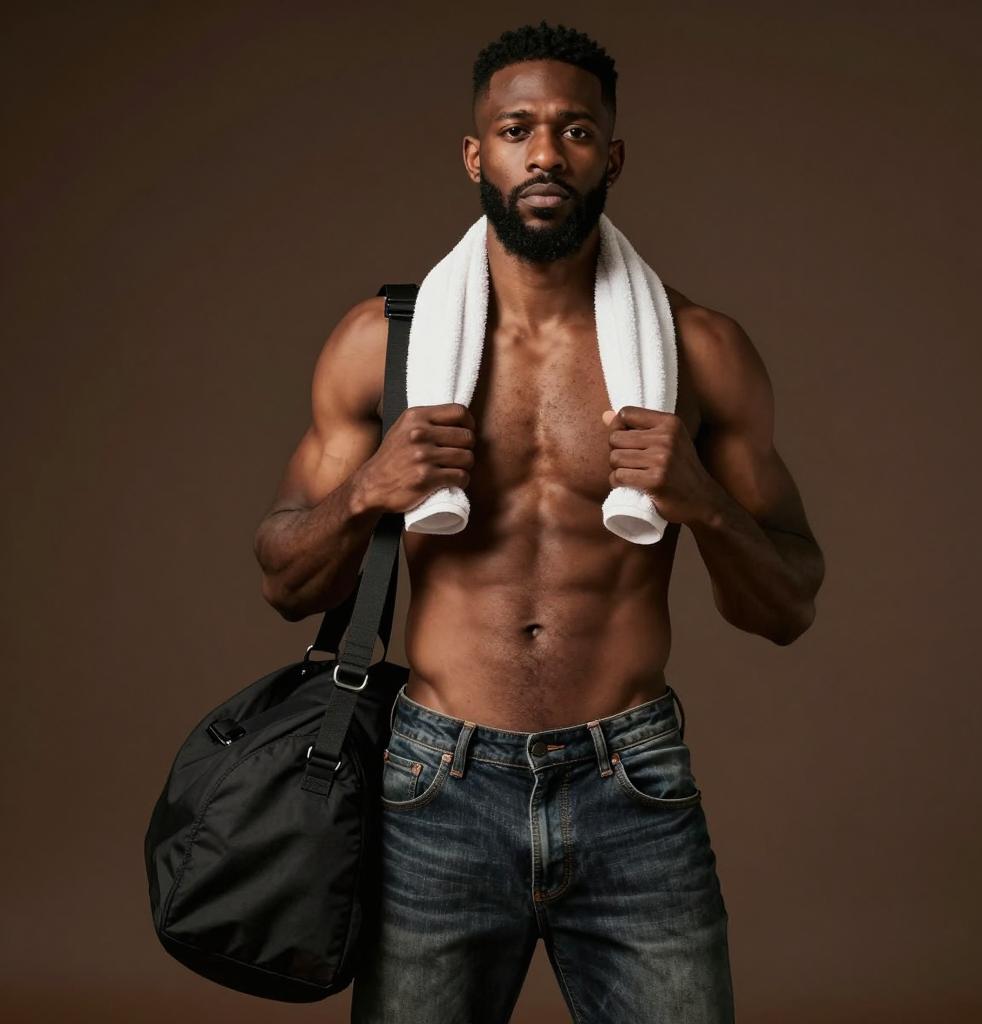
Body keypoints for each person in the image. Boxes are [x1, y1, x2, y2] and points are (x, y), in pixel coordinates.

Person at [253, 19, 824, 1024]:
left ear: (611, 153)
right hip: (436, 784)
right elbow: (283, 578)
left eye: (572, 130)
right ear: (477, 155)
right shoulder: (379, 349)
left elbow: (787, 605)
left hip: (631, 783)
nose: (546, 153)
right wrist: (366, 491)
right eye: (517, 130)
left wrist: (707, 507)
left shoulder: (700, 351)